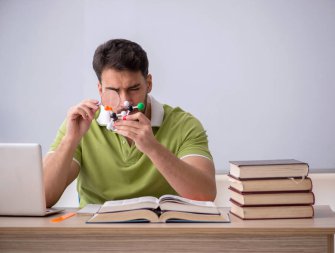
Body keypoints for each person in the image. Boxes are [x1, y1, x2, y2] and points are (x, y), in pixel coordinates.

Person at [43, 39, 216, 208]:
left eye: (133, 89)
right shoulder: (80, 123)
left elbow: (204, 195)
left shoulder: (184, 125)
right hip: (94, 232)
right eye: (113, 91)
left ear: (148, 84)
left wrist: (152, 147)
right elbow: (43, 198)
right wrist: (71, 139)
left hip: (161, 230)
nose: (125, 101)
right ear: (100, 90)